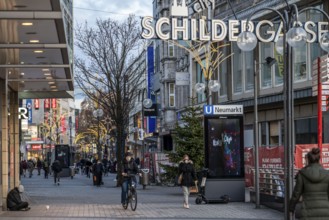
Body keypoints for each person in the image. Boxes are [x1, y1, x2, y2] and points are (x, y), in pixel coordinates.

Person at [289, 148, 329, 219]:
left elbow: (296, 193)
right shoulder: (327, 174)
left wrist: (291, 207)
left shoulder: (302, 174)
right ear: (319, 160)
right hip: (325, 211)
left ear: (308, 160)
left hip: (307, 211)